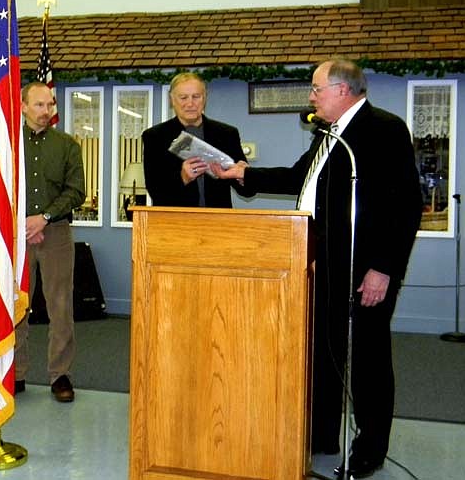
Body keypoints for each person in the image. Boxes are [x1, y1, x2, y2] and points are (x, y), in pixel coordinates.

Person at [210, 59, 422, 478]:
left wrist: (382, 268)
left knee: (368, 359)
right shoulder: (328, 134)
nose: (311, 96)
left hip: (363, 270)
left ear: (343, 91)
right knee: (323, 354)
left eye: (316, 88)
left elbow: (406, 204)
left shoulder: (383, 128)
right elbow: (299, 179)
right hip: (319, 264)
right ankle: (323, 433)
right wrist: (243, 173)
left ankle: (370, 447)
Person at [14, 82, 85, 402]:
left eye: (50, 105)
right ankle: (14, 373)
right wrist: (23, 222)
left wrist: (44, 217)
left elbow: (76, 191)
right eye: (39, 105)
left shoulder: (67, 145)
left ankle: (60, 375)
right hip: (15, 235)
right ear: (23, 105)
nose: (46, 112)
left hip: (55, 233)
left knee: (60, 305)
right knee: (16, 305)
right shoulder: (8, 145)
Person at [142, 72, 255, 207]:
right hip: (174, 222)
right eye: (183, 97)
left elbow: (247, 192)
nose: (190, 103)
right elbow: (155, 191)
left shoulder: (226, 134)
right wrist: (182, 178)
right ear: (172, 100)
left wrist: (245, 176)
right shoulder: (155, 137)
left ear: (204, 98)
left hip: (218, 222)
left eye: (196, 96)